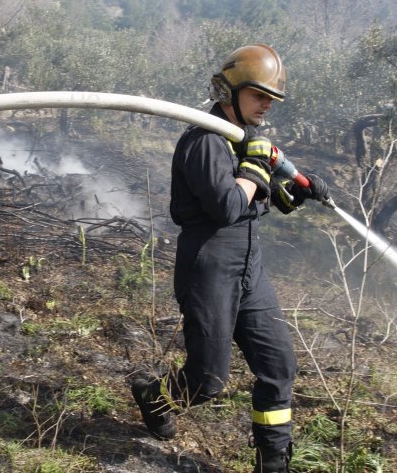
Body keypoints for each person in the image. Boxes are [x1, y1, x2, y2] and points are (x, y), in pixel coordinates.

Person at [131, 44, 330, 473]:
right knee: (207, 381)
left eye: (271, 99)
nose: (266, 105)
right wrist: (257, 167)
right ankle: (153, 396)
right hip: (208, 267)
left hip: (248, 268)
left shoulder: (243, 141)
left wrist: (295, 190)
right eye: (259, 95)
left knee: (279, 368)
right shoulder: (203, 140)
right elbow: (226, 205)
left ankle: (273, 464)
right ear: (230, 90)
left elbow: (256, 198)